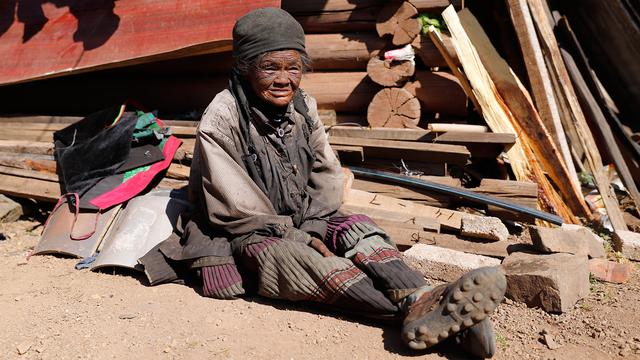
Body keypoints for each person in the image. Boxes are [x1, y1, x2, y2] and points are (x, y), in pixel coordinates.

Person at [141, 7, 506, 358]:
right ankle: (422, 313)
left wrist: (315, 225)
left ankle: (420, 295)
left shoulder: (304, 106)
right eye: (270, 68)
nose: (283, 79)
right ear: (245, 69)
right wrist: (301, 237)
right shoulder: (222, 117)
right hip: (249, 230)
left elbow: (325, 173)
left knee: (361, 231)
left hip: (305, 216)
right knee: (301, 261)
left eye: (293, 68)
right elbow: (237, 208)